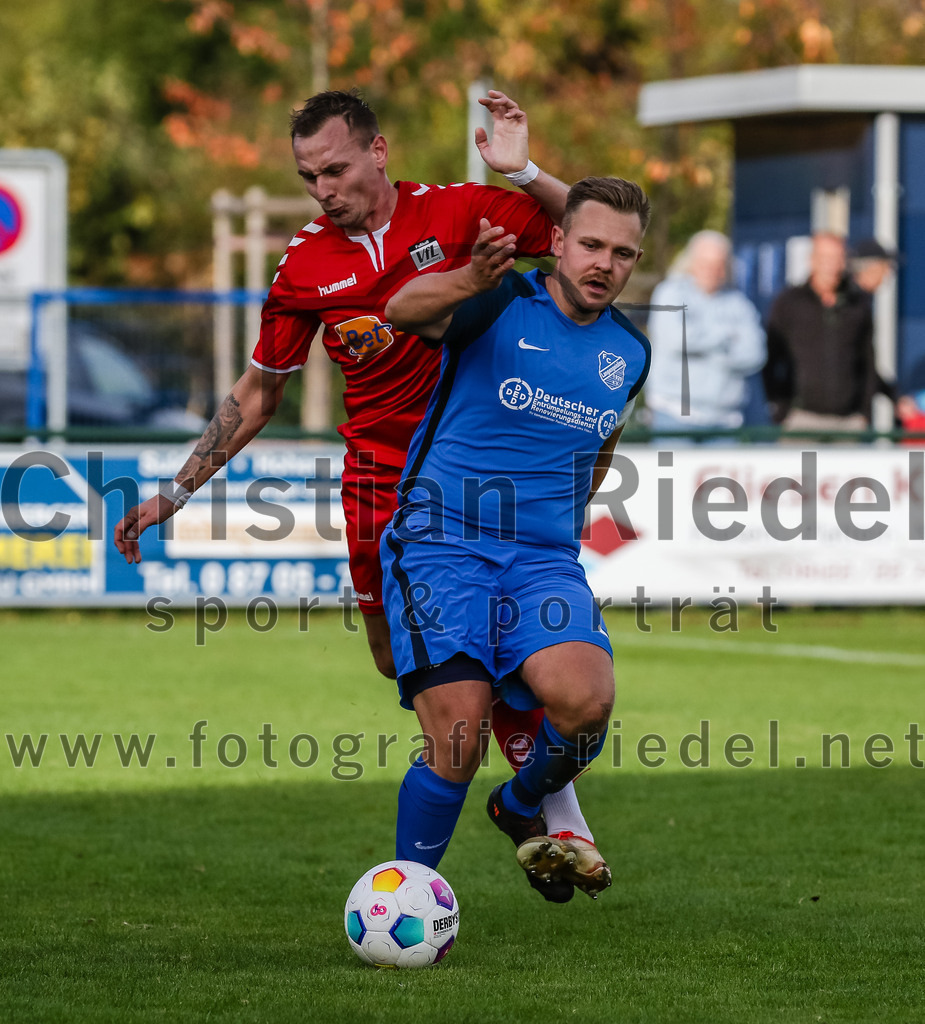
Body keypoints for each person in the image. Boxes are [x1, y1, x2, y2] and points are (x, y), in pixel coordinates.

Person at [111, 88, 604, 895]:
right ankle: (531, 802)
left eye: (335, 167)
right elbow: (262, 390)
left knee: (470, 669)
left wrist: (526, 173)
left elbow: (590, 237)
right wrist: (176, 490)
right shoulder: (304, 264)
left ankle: (549, 810)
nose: (324, 188)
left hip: (474, 481)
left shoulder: (457, 211)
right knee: (396, 661)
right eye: (309, 176)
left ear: (378, 150)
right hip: (376, 484)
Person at [380, 176, 651, 902]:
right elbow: (399, 309)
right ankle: (408, 896)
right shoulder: (500, 299)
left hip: (539, 560)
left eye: (622, 253)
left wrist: (551, 532)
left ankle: (521, 802)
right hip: (440, 541)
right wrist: (468, 274)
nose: (603, 263)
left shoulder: (629, 352)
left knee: (587, 704)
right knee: (459, 736)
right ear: (557, 242)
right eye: (589, 243)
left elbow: (599, 451)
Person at [644, 230, 765, 443]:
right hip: (672, 415)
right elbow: (675, 339)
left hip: (724, 420)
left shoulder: (739, 303)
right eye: (705, 263)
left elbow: (755, 354)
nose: (712, 270)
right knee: (670, 477)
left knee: (722, 478)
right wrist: (725, 337)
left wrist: (701, 345)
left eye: (718, 264)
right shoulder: (670, 293)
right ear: (691, 262)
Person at [764, 232, 877, 437]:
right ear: (812, 260)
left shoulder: (858, 304)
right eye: (825, 258)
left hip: (848, 421)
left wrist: (865, 413)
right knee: (802, 471)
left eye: (838, 258)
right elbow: (771, 359)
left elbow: (868, 361)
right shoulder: (789, 302)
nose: (832, 266)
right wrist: (780, 410)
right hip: (801, 419)